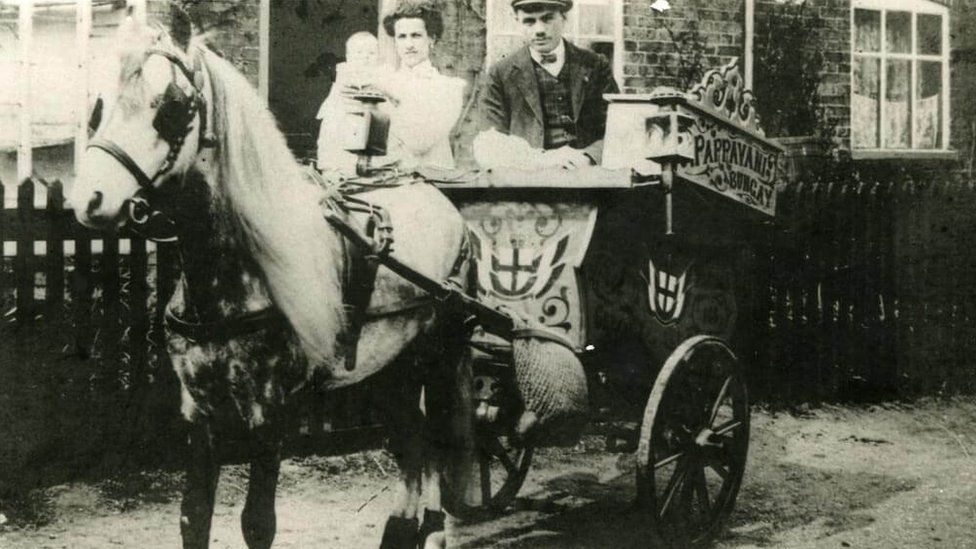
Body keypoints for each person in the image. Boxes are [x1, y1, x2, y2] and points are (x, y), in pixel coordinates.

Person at [475, 0, 619, 169]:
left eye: (547, 19)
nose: (540, 30)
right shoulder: (500, 74)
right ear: (517, 22)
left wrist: (589, 157)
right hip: (529, 181)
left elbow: (618, 131)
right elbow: (491, 141)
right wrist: (541, 161)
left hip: (588, 178)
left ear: (564, 18)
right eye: (529, 21)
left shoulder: (595, 66)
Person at [351, 0, 465, 170]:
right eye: (402, 37)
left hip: (431, 183)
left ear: (431, 39)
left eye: (416, 35)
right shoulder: (383, 82)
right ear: (395, 42)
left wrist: (387, 99)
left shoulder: (449, 88)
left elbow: (420, 142)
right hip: (385, 183)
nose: (409, 45)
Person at [316, 32, 381, 173]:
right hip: (343, 116)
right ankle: (334, 169)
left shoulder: (379, 74)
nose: (366, 57)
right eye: (359, 52)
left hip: (367, 121)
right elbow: (355, 86)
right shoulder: (346, 72)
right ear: (348, 56)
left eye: (372, 53)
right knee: (334, 138)